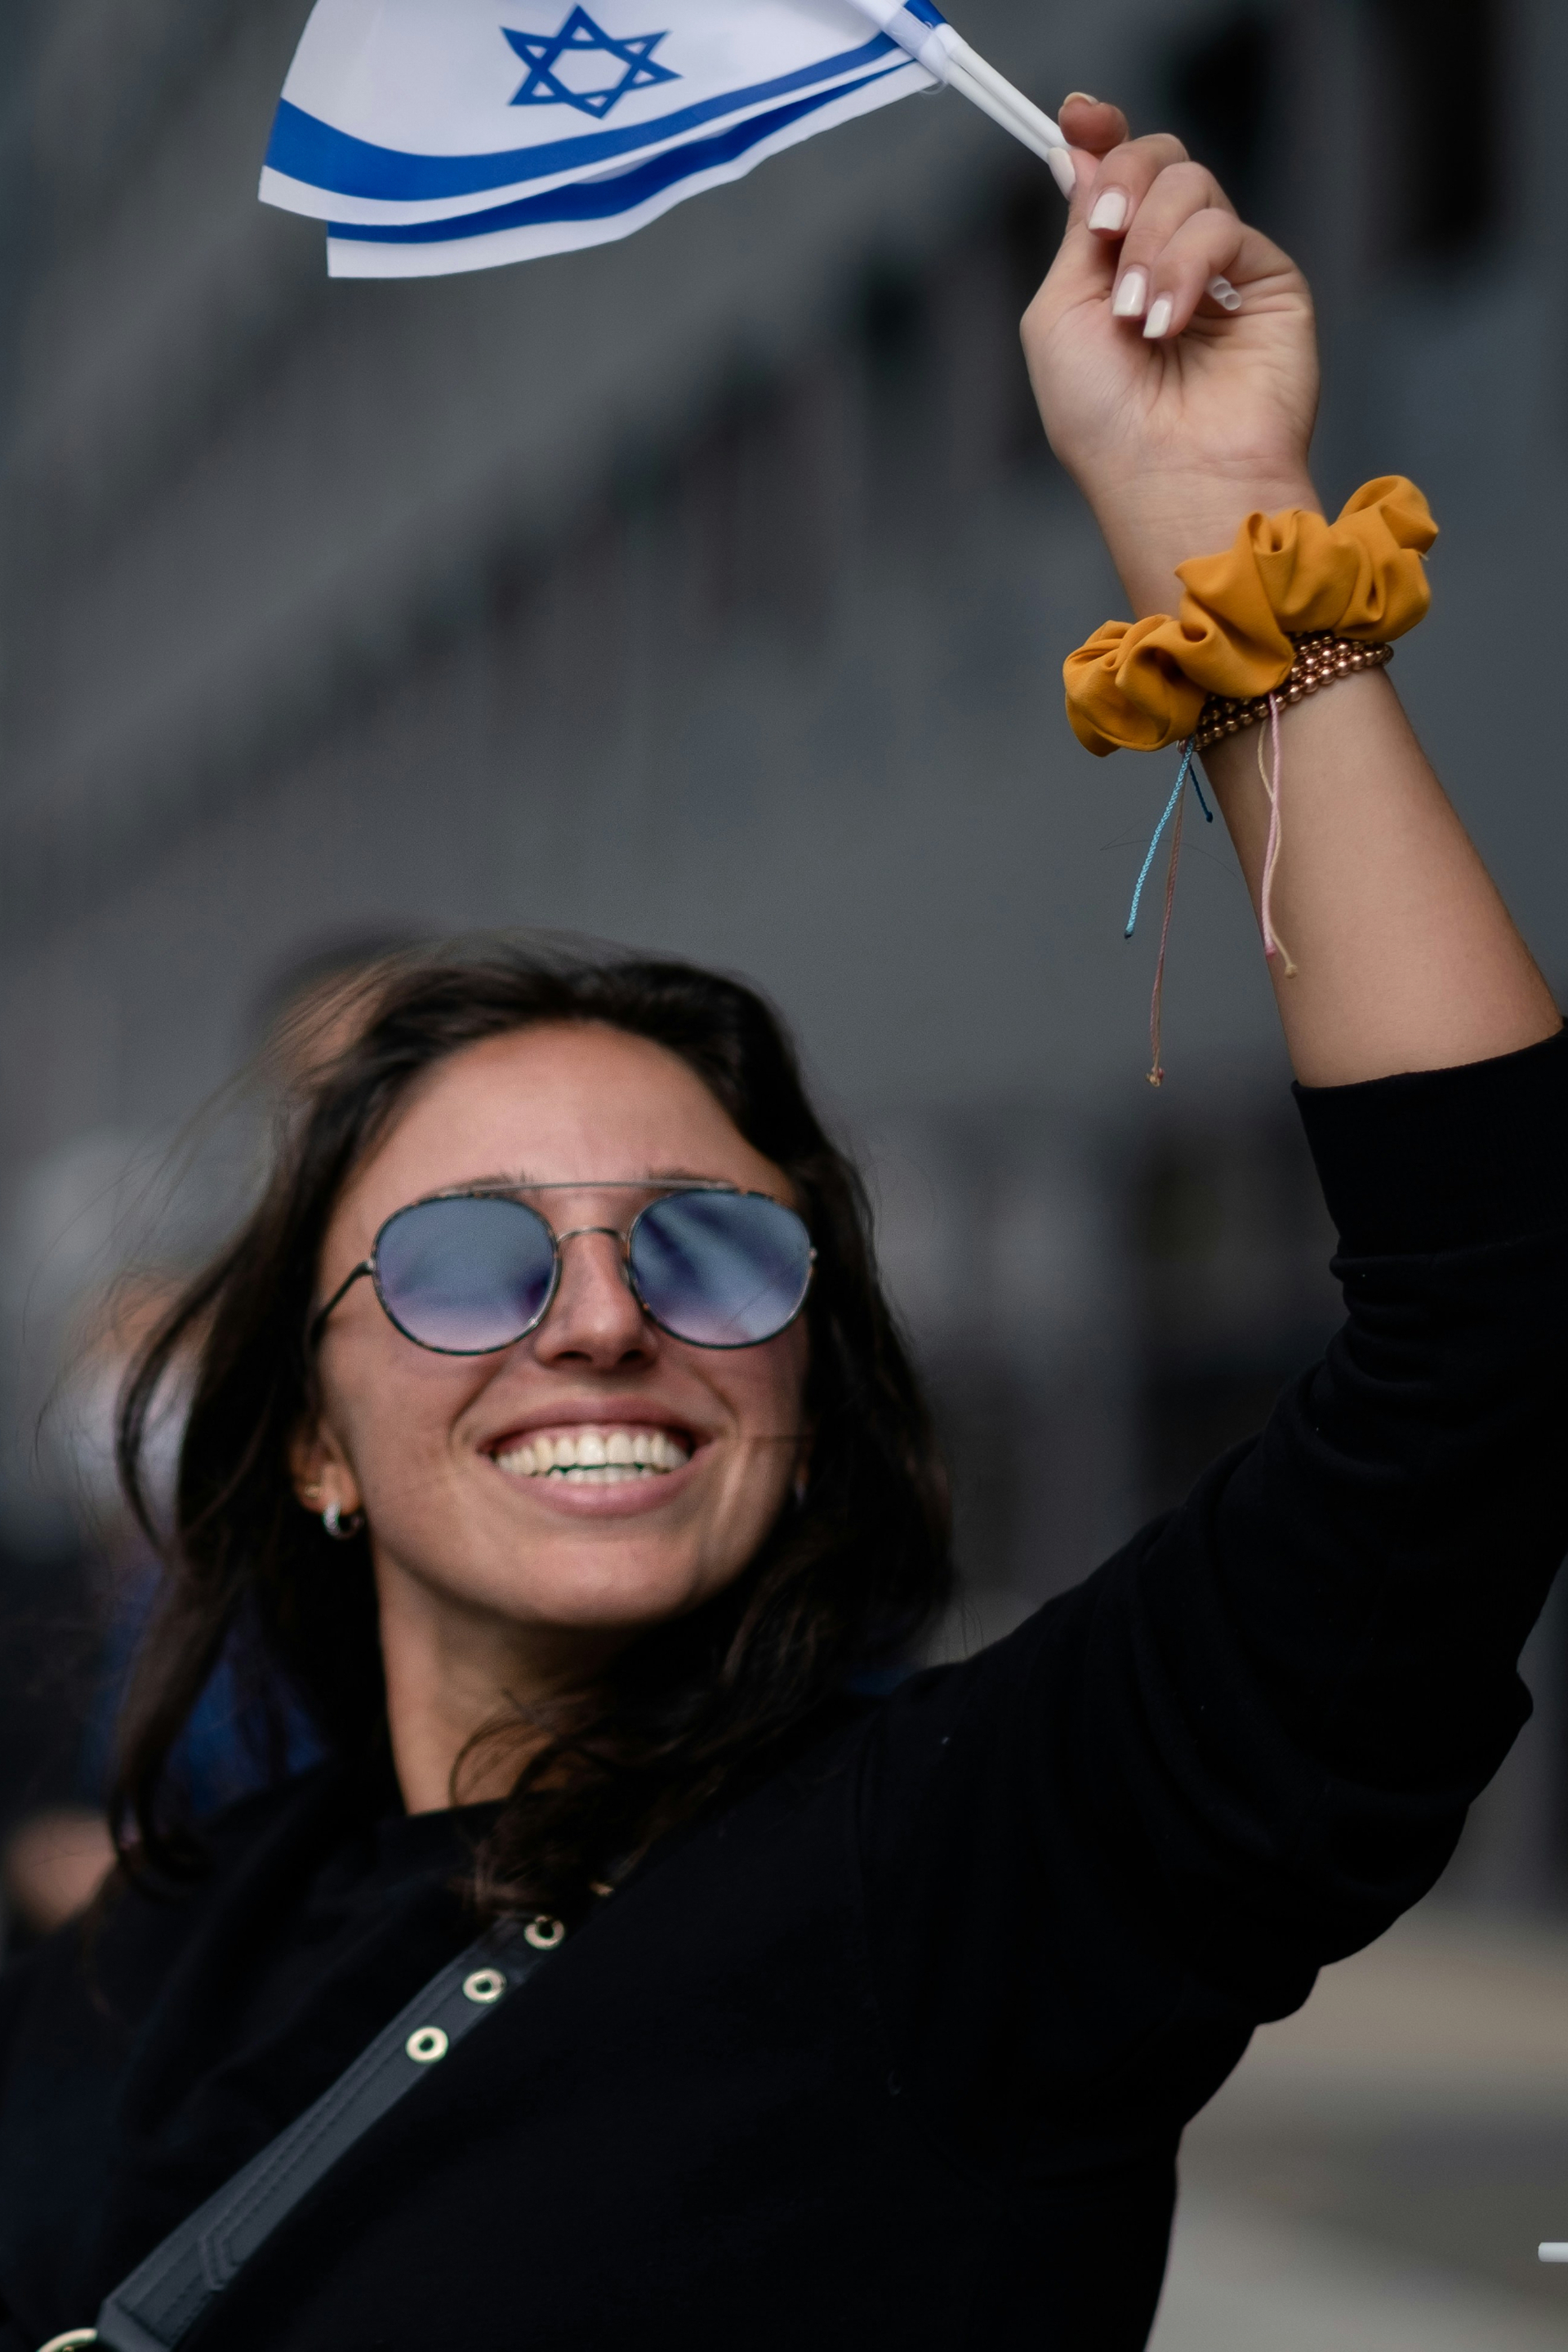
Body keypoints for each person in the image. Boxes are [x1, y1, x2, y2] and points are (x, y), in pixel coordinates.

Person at [2, 94, 1566, 2352]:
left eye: (712, 1249)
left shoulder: (979, 1873)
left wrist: (1223, 527)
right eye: (469, 1259)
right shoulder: (143, 1969)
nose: (603, 1317)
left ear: (809, 1396)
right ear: (314, 1432)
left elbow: (1494, 1329)